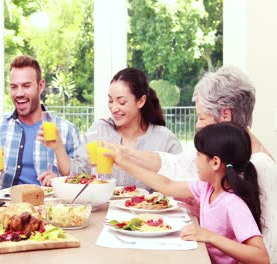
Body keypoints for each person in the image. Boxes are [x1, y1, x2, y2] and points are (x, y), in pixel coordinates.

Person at [113, 65, 277, 261]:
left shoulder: (259, 166)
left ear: (225, 115)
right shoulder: (221, 159)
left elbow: (264, 252)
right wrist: (125, 156)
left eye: (201, 117)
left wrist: (210, 233)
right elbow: (174, 169)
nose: (197, 124)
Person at [107, 122, 269, 264]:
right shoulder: (207, 188)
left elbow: (261, 257)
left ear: (215, 162)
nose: (195, 161)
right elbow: (167, 185)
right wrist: (123, 163)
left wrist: (210, 236)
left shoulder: (233, 203)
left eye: (198, 155)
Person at [45, 67, 181, 187]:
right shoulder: (99, 129)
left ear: (141, 101)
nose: (114, 108)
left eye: (122, 102)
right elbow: (78, 174)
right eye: (110, 101)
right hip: (102, 213)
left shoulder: (164, 139)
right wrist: (58, 147)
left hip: (144, 214)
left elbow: (178, 185)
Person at [0, 55, 80, 189]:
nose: (19, 93)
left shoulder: (66, 130)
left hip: (46, 207)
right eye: (14, 87)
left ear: (41, 86)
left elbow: (83, 180)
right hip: (1, 206)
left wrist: (61, 182)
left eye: (26, 86)